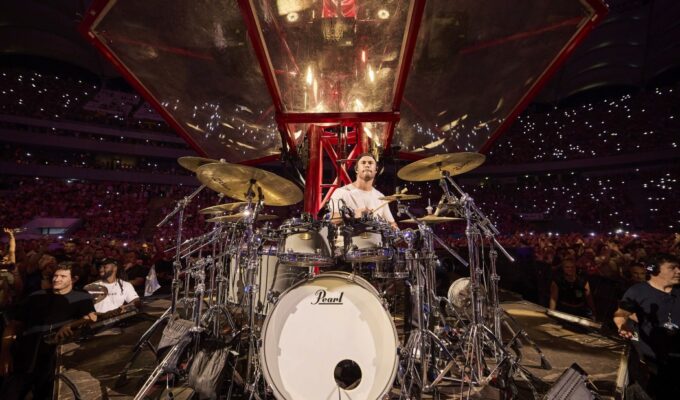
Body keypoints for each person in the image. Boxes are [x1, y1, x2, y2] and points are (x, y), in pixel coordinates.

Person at [0, 263, 96, 400]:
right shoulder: (36, 296)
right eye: (56, 275)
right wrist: (5, 353)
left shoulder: (82, 297)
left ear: (74, 279)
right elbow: (14, 325)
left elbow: (91, 318)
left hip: (54, 360)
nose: (57, 279)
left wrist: (70, 325)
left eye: (63, 276)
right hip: (25, 356)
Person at [613, 253, 680, 399]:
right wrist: (622, 325)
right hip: (654, 362)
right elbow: (621, 313)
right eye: (672, 268)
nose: (678, 271)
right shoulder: (637, 291)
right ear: (655, 270)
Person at [330, 152, 397, 229]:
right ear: (356, 169)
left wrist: (394, 228)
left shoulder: (380, 197)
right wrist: (354, 214)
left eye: (370, 163)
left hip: (374, 237)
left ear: (376, 170)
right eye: (363, 162)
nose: (367, 165)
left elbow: (392, 223)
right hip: (349, 236)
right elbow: (332, 219)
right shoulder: (341, 192)